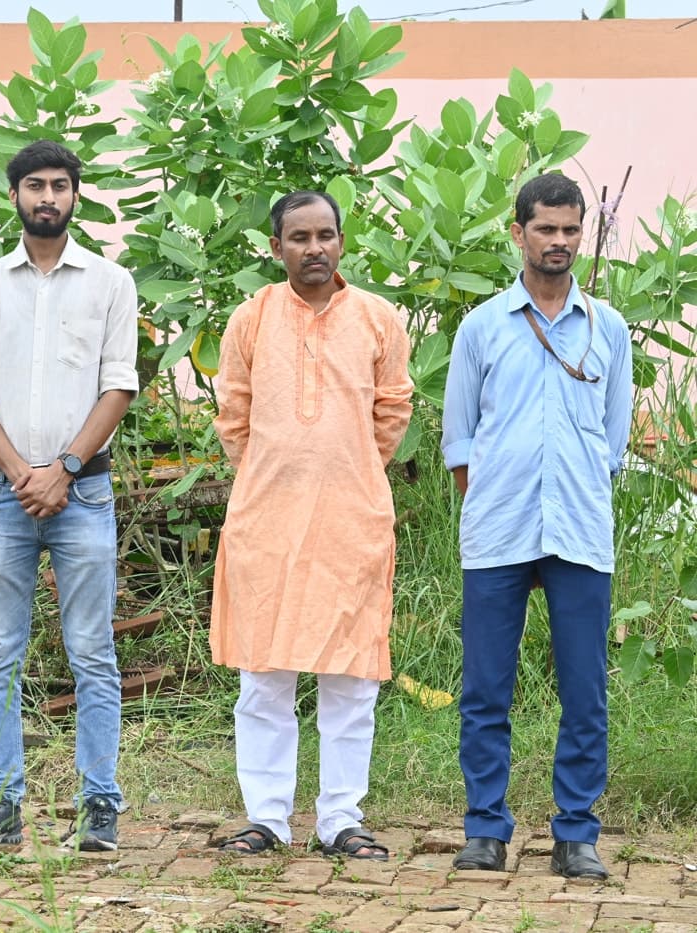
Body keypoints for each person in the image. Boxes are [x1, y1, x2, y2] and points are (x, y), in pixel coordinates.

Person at [209, 191, 413, 860]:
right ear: (277, 248)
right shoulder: (251, 318)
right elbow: (233, 415)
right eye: (299, 237)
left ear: (343, 242)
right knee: (264, 675)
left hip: (352, 521)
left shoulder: (378, 319)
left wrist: (344, 473)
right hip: (264, 521)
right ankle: (266, 818)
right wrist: (282, 476)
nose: (315, 247)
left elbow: (392, 412)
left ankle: (340, 820)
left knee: (350, 676)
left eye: (326, 234)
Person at [443, 173, 633, 880]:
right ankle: (486, 829)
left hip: (581, 534)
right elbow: (459, 441)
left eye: (570, 229)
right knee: (486, 689)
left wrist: (573, 488)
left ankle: (576, 833)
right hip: (496, 535)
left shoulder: (608, 328)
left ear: (583, 233)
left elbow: (613, 444)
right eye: (545, 228)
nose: (558, 242)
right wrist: (496, 496)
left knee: (585, 691)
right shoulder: (482, 326)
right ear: (518, 232)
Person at [0, 139, 138, 851]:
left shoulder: (110, 283)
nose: (48, 197)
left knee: (91, 651)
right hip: (4, 497)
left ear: (76, 196)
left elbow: (118, 383)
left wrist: (62, 467)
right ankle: (1, 801)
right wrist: (21, 472)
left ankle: (98, 806)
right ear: (15, 197)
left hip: (84, 495)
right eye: (36, 186)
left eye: (61, 185)